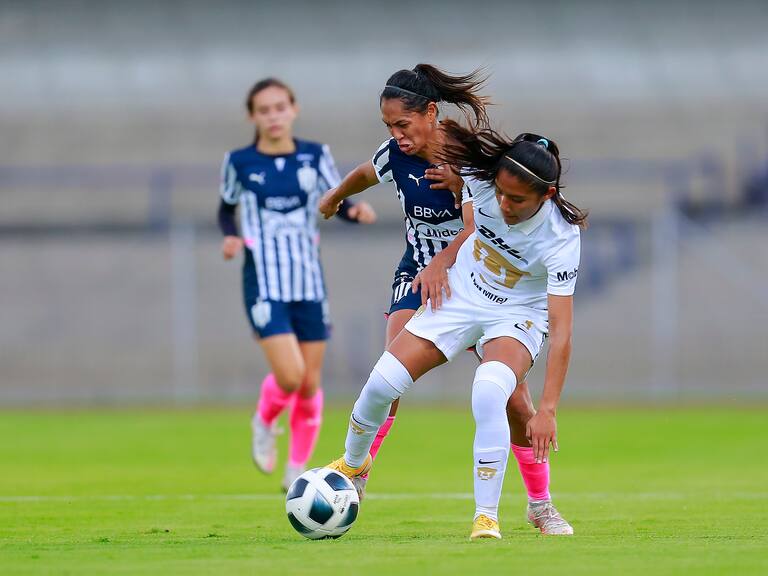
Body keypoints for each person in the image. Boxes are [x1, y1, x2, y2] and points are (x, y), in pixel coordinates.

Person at [320, 65, 575, 535]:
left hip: (470, 275)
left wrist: (461, 195)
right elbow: (363, 173)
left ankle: (539, 503)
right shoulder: (396, 155)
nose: (396, 135)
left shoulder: (476, 164)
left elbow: (478, 227)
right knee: (388, 374)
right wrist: (332, 199)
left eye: (402, 124)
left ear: (431, 113)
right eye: (389, 127)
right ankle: (357, 472)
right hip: (422, 273)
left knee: (514, 402)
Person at [218, 78, 376, 491]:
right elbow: (226, 209)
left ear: (294, 109)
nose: (273, 116)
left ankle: (295, 469)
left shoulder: (314, 155)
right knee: (290, 376)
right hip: (265, 281)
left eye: (279, 107)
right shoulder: (239, 162)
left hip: (308, 281)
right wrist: (230, 236)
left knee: (309, 382)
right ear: (253, 116)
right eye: (264, 110)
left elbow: (333, 198)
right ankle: (264, 420)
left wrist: (353, 209)